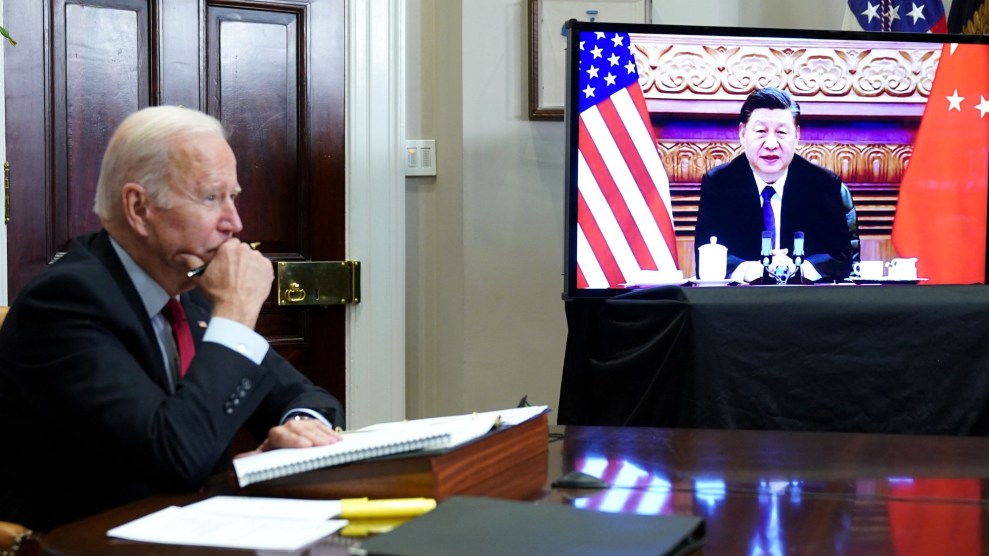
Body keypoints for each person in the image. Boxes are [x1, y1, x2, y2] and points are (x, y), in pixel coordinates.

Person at [0, 106, 345, 532]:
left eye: (233, 197)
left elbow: (309, 398)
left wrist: (300, 430)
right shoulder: (64, 304)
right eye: (211, 198)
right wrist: (237, 311)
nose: (235, 223)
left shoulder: (189, 290)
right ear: (139, 207)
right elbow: (175, 458)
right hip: (96, 542)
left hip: (200, 531)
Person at [694, 87, 856, 283]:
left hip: (807, 297)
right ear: (742, 134)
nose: (771, 144)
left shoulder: (822, 184)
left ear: (796, 136)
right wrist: (750, 270)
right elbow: (707, 254)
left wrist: (798, 269)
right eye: (761, 132)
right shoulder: (720, 183)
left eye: (781, 132)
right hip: (741, 297)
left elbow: (841, 257)